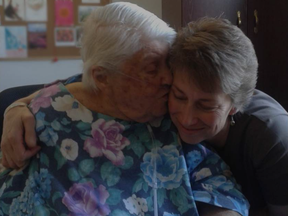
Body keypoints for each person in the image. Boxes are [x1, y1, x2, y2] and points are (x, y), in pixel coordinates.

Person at [0, 3, 248, 216]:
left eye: (167, 64)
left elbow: (218, 185)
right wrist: (16, 107)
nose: (168, 79)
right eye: (152, 69)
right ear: (103, 78)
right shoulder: (45, 120)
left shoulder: (173, 112)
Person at [168, 18, 288, 215]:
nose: (187, 118)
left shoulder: (273, 138)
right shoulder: (159, 113)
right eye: (179, 96)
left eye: (205, 106)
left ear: (234, 106)